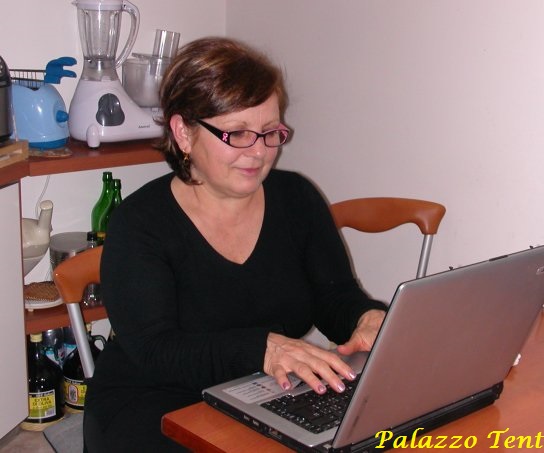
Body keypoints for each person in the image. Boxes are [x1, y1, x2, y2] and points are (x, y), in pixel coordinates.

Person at [83, 36, 387, 452]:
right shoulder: (140, 223)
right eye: (237, 134)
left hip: (263, 392)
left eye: (270, 132)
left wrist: (367, 318)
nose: (258, 152)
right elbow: (155, 350)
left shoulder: (296, 199)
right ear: (183, 133)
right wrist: (262, 348)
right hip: (155, 402)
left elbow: (333, 297)